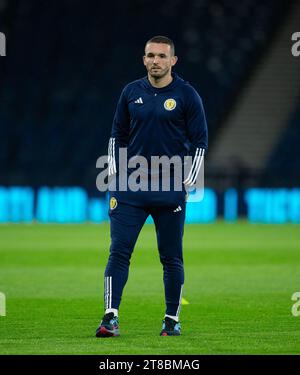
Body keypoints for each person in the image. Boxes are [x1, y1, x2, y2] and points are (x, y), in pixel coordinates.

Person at [96, 35, 208, 337]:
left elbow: (200, 141)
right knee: (119, 251)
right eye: (150, 55)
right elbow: (116, 134)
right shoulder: (131, 92)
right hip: (130, 187)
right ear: (144, 59)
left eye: (161, 56)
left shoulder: (187, 94)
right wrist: (115, 173)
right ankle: (110, 318)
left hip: (169, 187)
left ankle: (171, 320)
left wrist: (190, 177)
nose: (155, 61)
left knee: (171, 257)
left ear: (173, 61)